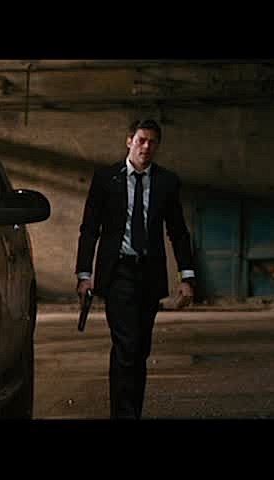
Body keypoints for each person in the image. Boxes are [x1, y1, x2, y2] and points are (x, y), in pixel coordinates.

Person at [75, 119, 196, 419]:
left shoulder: (166, 182)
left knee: (139, 349)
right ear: (129, 141)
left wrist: (187, 277)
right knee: (127, 345)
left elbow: (178, 231)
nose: (146, 147)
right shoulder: (107, 178)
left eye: (152, 142)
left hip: (149, 274)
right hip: (118, 273)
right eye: (141, 140)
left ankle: (131, 412)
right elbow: (90, 228)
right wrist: (84, 275)